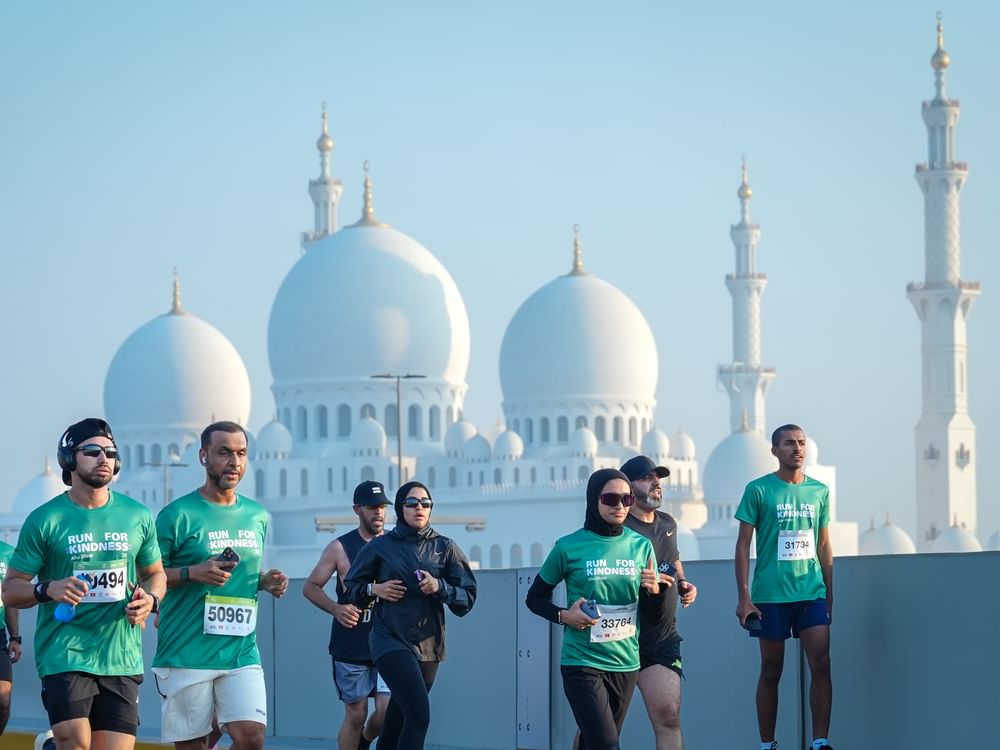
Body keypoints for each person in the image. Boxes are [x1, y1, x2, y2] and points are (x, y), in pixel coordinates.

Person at [1, 417, 165, 750]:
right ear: (68, 460)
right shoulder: (46, 519)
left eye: (110, 452)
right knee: (75, 742)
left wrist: (151, 599)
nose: (103, 458)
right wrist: (46, 589)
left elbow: (156, 573)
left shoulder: (138, 515)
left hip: (121, 655)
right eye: (91, 451)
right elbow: (10, 589)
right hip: (65, 653)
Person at [152, 421, 289, 750]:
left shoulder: (257, 516)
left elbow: (241, 577)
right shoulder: (177, 515)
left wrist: (264, 581)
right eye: (224, 452)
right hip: (187, 650)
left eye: (241, 453)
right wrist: (193, 572)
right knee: (194, 745)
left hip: (240, 650)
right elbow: (148, 575)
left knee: (251, 736)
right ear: (203, 456)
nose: (234, 462)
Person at [526, 468, 663, 750]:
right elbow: (534, 598)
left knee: (593, 743)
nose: (619, 506)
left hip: (626, 662)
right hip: (582, 662)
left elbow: (652, 617)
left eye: (627, 499)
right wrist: (565, 615)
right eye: (611, 498)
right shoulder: (568, 547)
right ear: (594, 499)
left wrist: (655, 593)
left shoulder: (641, 546)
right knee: (607, 744)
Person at [343, 481, 477, 750]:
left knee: (397, 719)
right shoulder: (380, 547)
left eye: (425, 503)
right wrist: (375, 588)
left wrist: (440, 587)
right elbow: (352, 588)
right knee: (419, 715)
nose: (419, 508)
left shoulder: (445, 547)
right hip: (389, 639)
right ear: (400, 508)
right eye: (412, 503)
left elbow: (468, 597)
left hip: (429, 645)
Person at [734, 424, 834, 750]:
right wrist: (744, 597)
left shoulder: (819, 491)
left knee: (821, 662)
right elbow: (743, 544)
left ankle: (820, 742)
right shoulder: (758, 490)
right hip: (770, 595)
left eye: (802, 443)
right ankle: (768, 744)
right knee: (771, 669)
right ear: (775, 450)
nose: (797, 449)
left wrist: (829, 592)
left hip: (811, 592)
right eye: (789, 443)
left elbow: (824, 544)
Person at [303, 480, 392, 750]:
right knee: (356, 714)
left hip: (389, 641)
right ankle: (357, 739)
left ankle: (365, 740)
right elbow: (310, 587)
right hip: (351, 643)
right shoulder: (339, 548)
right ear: (357, 509)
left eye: (382, 507)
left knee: (388, 712)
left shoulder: (394, 543)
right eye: (371, 507)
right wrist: (336, 608)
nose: (378, 512)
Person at [620, 455, 698, 750]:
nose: (656, 483)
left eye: (658, 478)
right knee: (603, 725)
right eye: (646, 478)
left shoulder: (668, 523)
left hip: (661, 638)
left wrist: (684, 584)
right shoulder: (619, 527)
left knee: (668, 717)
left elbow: (673, 560)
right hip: (620, 638)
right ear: (627, 487)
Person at [0, 538, 22, 737]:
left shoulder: (8, 553)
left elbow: (11, 599)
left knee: (3, 698)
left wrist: (15, 637)